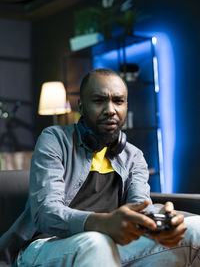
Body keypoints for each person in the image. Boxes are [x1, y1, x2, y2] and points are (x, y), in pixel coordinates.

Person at [0, 68, 200, 267]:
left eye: (118, 101)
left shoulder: (134, 156)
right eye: (98, 101)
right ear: (81, 105)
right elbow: (45, 213)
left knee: (196, 228)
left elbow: (140, 207)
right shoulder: (54, 139)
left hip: (109, 243)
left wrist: (158, 224)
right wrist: (104, 223)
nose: (110, 109)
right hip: (45, 244)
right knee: (96, 242)